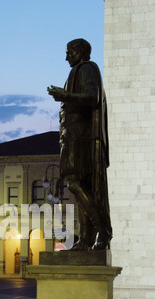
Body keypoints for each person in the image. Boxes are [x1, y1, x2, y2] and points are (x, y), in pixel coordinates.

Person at [47, 38, 112, 250]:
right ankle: (86, 239)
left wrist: (66, 95)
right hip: (70, 135)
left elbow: (92, 96)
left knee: (75, 183)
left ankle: (103, 230)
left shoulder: (87, 68)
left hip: (80, 135)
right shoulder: (77, 71)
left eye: (70, 52)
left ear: (81, 51)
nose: (67, 57)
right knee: (78, 186)